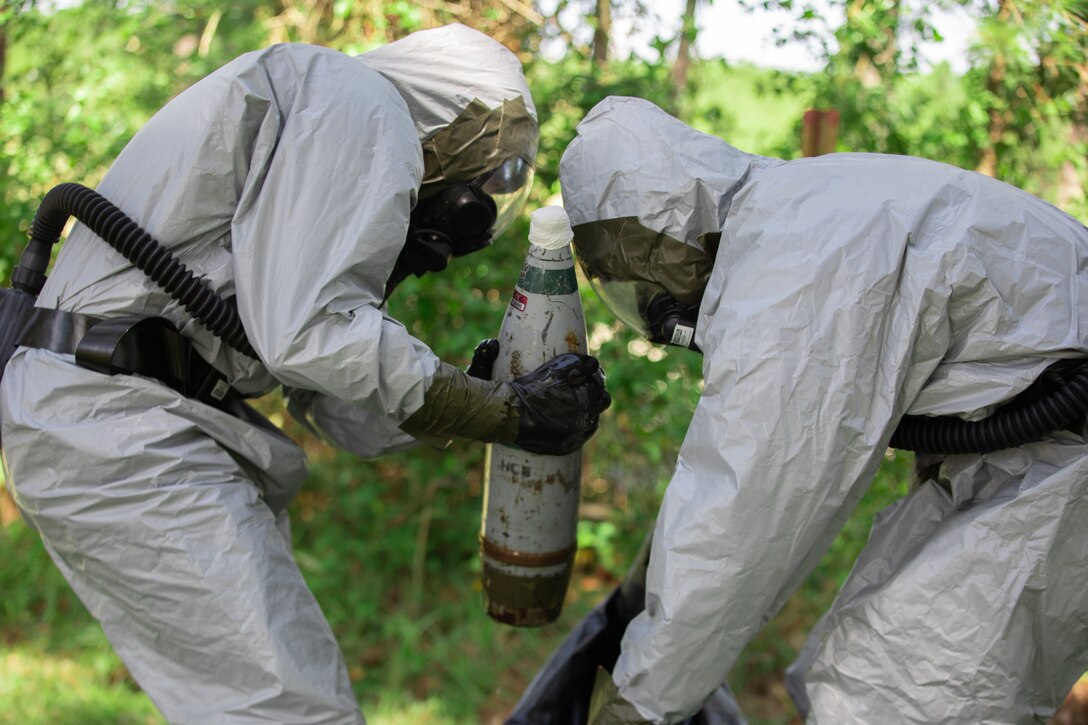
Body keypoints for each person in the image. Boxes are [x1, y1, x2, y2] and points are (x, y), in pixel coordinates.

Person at [0, 24, 610, 723]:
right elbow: (308, 335)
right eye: (492, 170)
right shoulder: (359, 103)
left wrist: (475, 390)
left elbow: (325, 394)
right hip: (119, 425)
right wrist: (500, 413)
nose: (484, 196)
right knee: (292, 710)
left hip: (130, 420)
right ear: (452, 118)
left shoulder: (325, 129)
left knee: (271, 705)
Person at [558, 95, 1088, 724]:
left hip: (1060, 451)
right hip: (1027, 445)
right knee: (851, 673)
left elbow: (743, 518)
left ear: (663, 238)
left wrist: (640, 704)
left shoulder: (790, 271)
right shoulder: (794, 210)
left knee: (892, 698)